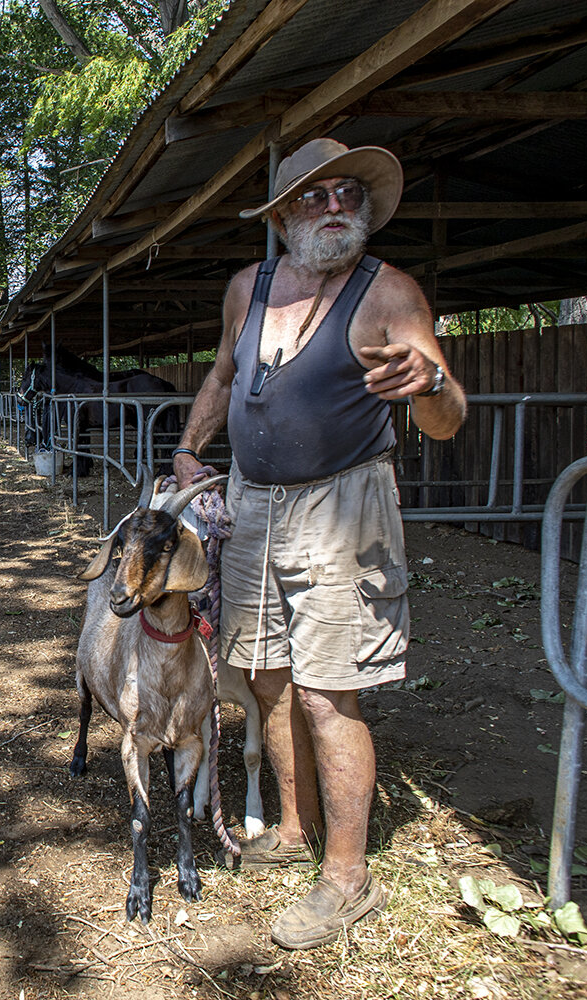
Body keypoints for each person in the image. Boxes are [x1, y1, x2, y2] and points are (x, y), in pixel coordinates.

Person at [171, 139, 466, 949]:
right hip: (251, 501)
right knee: (265, 674)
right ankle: (295, 830)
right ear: (281, 216)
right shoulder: (250, 289)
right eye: (314, 196)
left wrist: (432, 386)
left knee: (328, 690)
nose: (335, 206)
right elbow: (227, 377)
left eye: (348, 194)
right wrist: (193, 447)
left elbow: (447, 419)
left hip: (344, 504)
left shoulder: (390, 295)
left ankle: (347, 880)